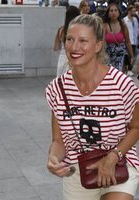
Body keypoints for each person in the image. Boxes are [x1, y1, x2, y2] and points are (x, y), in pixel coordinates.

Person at [46, 14, 139, 200]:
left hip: (119, 164)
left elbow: (136, 126)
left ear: (98, 45)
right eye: (70, 39)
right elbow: (59, 140)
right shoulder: (58, 88)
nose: (74, 47)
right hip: (79, 171)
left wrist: (113, 156)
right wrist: (54, 159)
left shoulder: (122, 84)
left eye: (83, 41)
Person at [103, 3, 134, 73]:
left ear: (119, 13)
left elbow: (128, 42)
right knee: (109, 76)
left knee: (119, 76)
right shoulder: (104, 26)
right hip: (108, 56)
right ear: (108, 13)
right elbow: (101, 42)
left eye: (115, 10)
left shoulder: (123, 25)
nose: (113, 12)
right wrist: (103, 54)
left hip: (121, 56)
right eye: (111, 11)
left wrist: (131, 56)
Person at [53, 5, 80, 77]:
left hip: (62, 58)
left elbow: (56, 47)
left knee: (61, 81)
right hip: (75, 57)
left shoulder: (61, 29)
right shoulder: (78, 30)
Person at [123, 5, 139, 76]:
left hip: (135, 40)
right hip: (128, 40)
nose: (134, 12)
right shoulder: (124, 20)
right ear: (129, 11)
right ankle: (128, 70)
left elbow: (137, 29)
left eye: (135, 11)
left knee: (134, 56)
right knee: (129, 56)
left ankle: (129, 69)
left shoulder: (135, 19)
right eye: (133, 11)